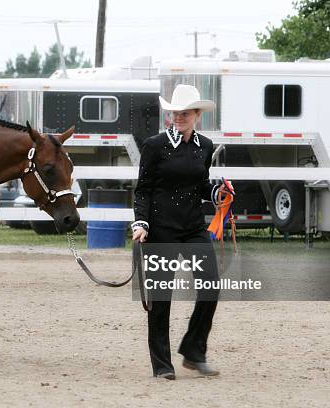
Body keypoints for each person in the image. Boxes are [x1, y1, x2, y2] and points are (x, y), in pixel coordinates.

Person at [132, 84, 231, 380]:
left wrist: (217, 193)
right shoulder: (154, 145)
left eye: (185, 113)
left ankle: (193, 350)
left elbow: (201, 185)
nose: (178, 118)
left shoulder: (205, 146)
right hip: (160, 229)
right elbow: (143, 190)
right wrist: (141, 223)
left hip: (193, 227)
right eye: (175, 113)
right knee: (161, 299)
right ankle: (162, 365)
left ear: (197, 115)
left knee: (210, 287)